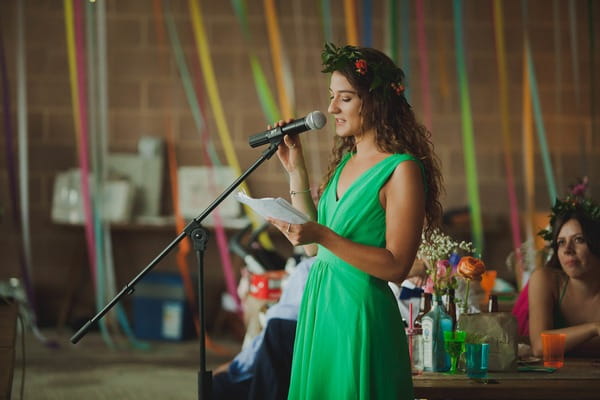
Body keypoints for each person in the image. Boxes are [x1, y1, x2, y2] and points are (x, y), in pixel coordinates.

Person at [266, 43, 443, 399]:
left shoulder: (402, 169)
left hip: (360, 315)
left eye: (343, 99)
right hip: (322, 309)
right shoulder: (345, 164)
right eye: (333, 97)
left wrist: (323, 235)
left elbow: (396, 265)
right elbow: (315, 247)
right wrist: (295, 168)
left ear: (374, 101)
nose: (331, 108)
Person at [528, 191, 600, 357]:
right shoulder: (545, 280)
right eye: (561, 242)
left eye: (579, 240)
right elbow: (540, 346)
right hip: (555, 379)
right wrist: (594, 328)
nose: (567, 250)